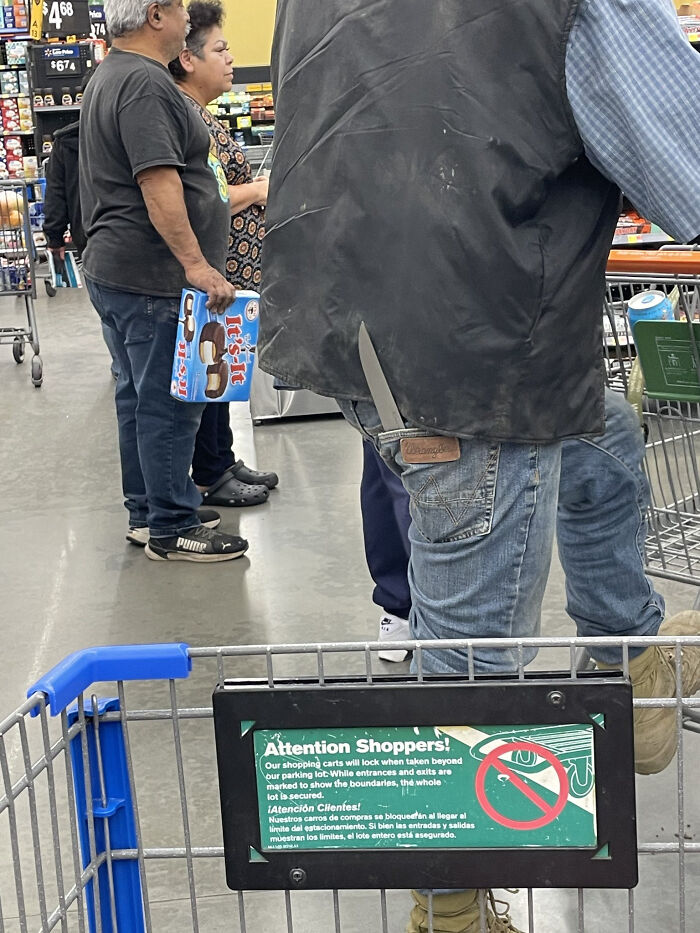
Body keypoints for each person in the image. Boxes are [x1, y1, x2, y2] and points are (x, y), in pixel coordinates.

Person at [258, 0, 700, 928]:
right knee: (471, 653)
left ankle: (631, 657)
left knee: (604, 437)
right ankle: (448, 906)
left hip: (349, 323)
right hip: (481, 344)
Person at [79, 0, 247, 562]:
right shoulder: (146, 84)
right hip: (152, 277)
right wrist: (197, 267)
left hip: (117, 270)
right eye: (178, 8)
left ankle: (148, 511)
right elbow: (158, 182)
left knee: (136, 398)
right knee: (169, 404)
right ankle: (173, 528)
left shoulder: (110, 73)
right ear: (156, 16)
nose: (186, 18)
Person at [167, 0, 278, 511]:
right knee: (209, 369)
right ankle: (211, 471)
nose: (231, 58)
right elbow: (208, 198)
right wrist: (257, 190)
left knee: (222, 369)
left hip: (230, 271)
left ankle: (222, 459)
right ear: (188, 59)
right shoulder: (188, 118)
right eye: (220, 48)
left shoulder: (203, 115)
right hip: (213, 273)